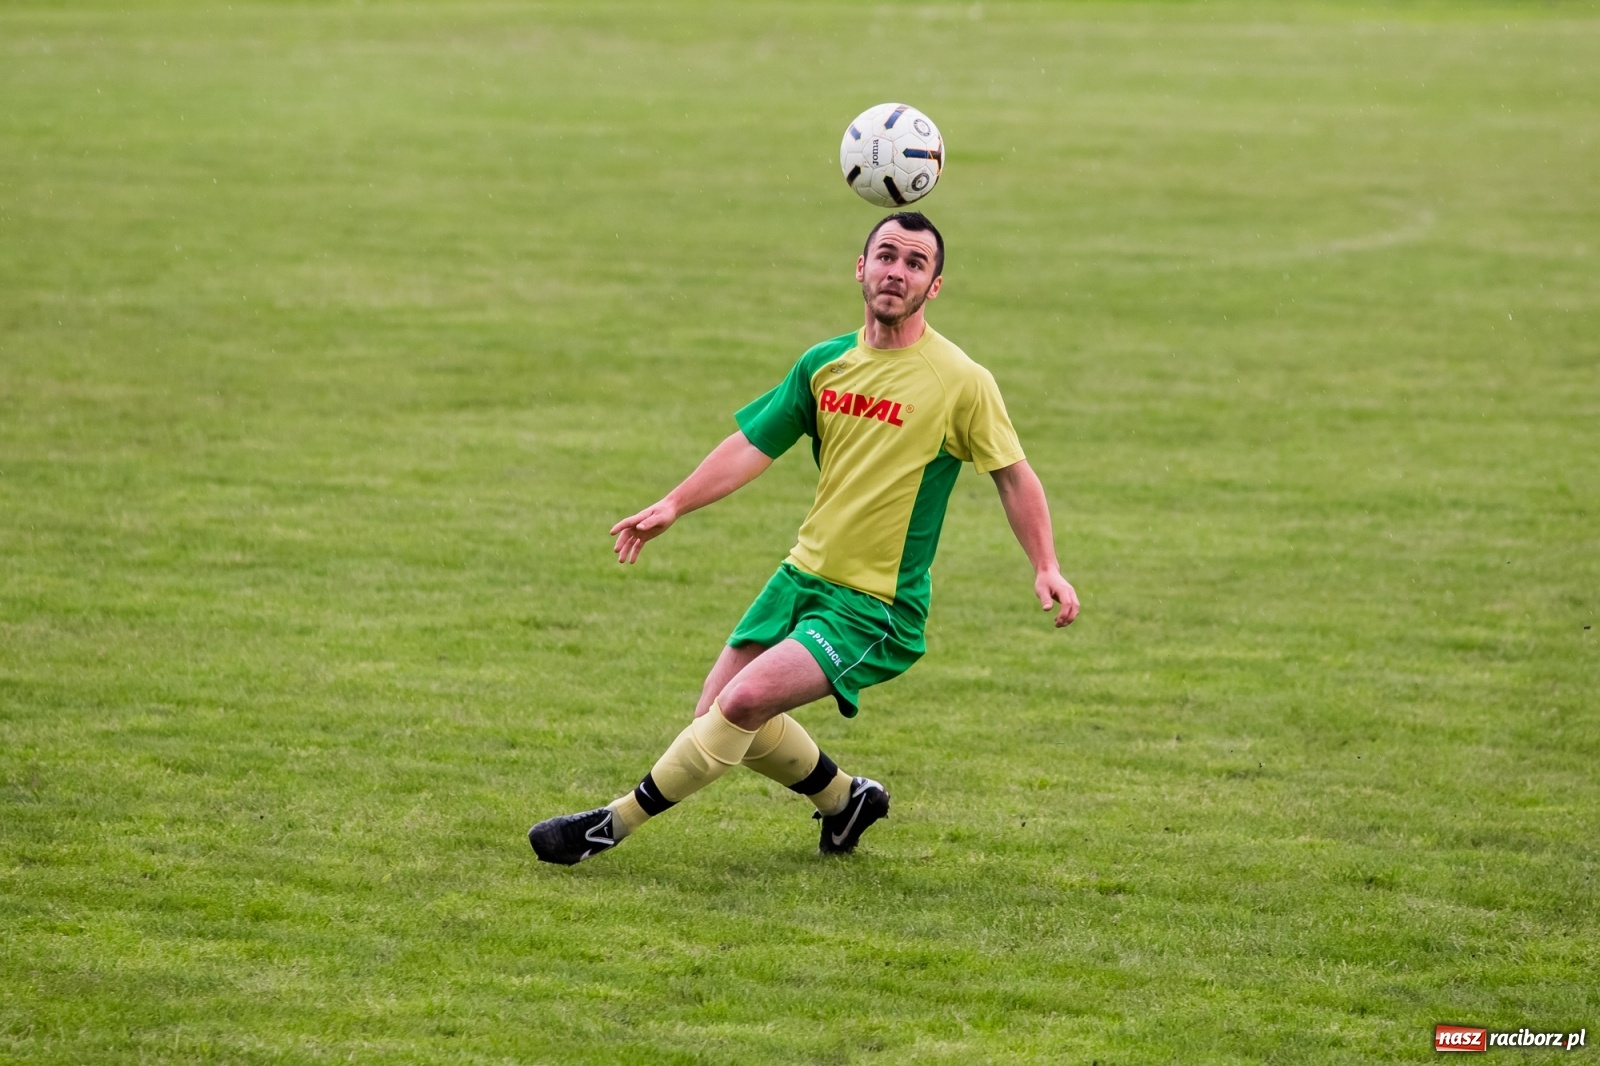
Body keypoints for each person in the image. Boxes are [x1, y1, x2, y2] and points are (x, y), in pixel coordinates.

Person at [528, 210, 1079, 865]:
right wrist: (674, 504)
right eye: (886, 257)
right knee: (715, 716)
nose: (895, 273)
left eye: (914, 264)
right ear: (860, 267)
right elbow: (753, 444)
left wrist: (1045, 564)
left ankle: (607, 827)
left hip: (876, 603)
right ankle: (846, 801)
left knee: (741, 703)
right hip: (800, 577)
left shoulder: (960, 382)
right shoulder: (826, 364)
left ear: (935, 286)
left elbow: (1014, 477)